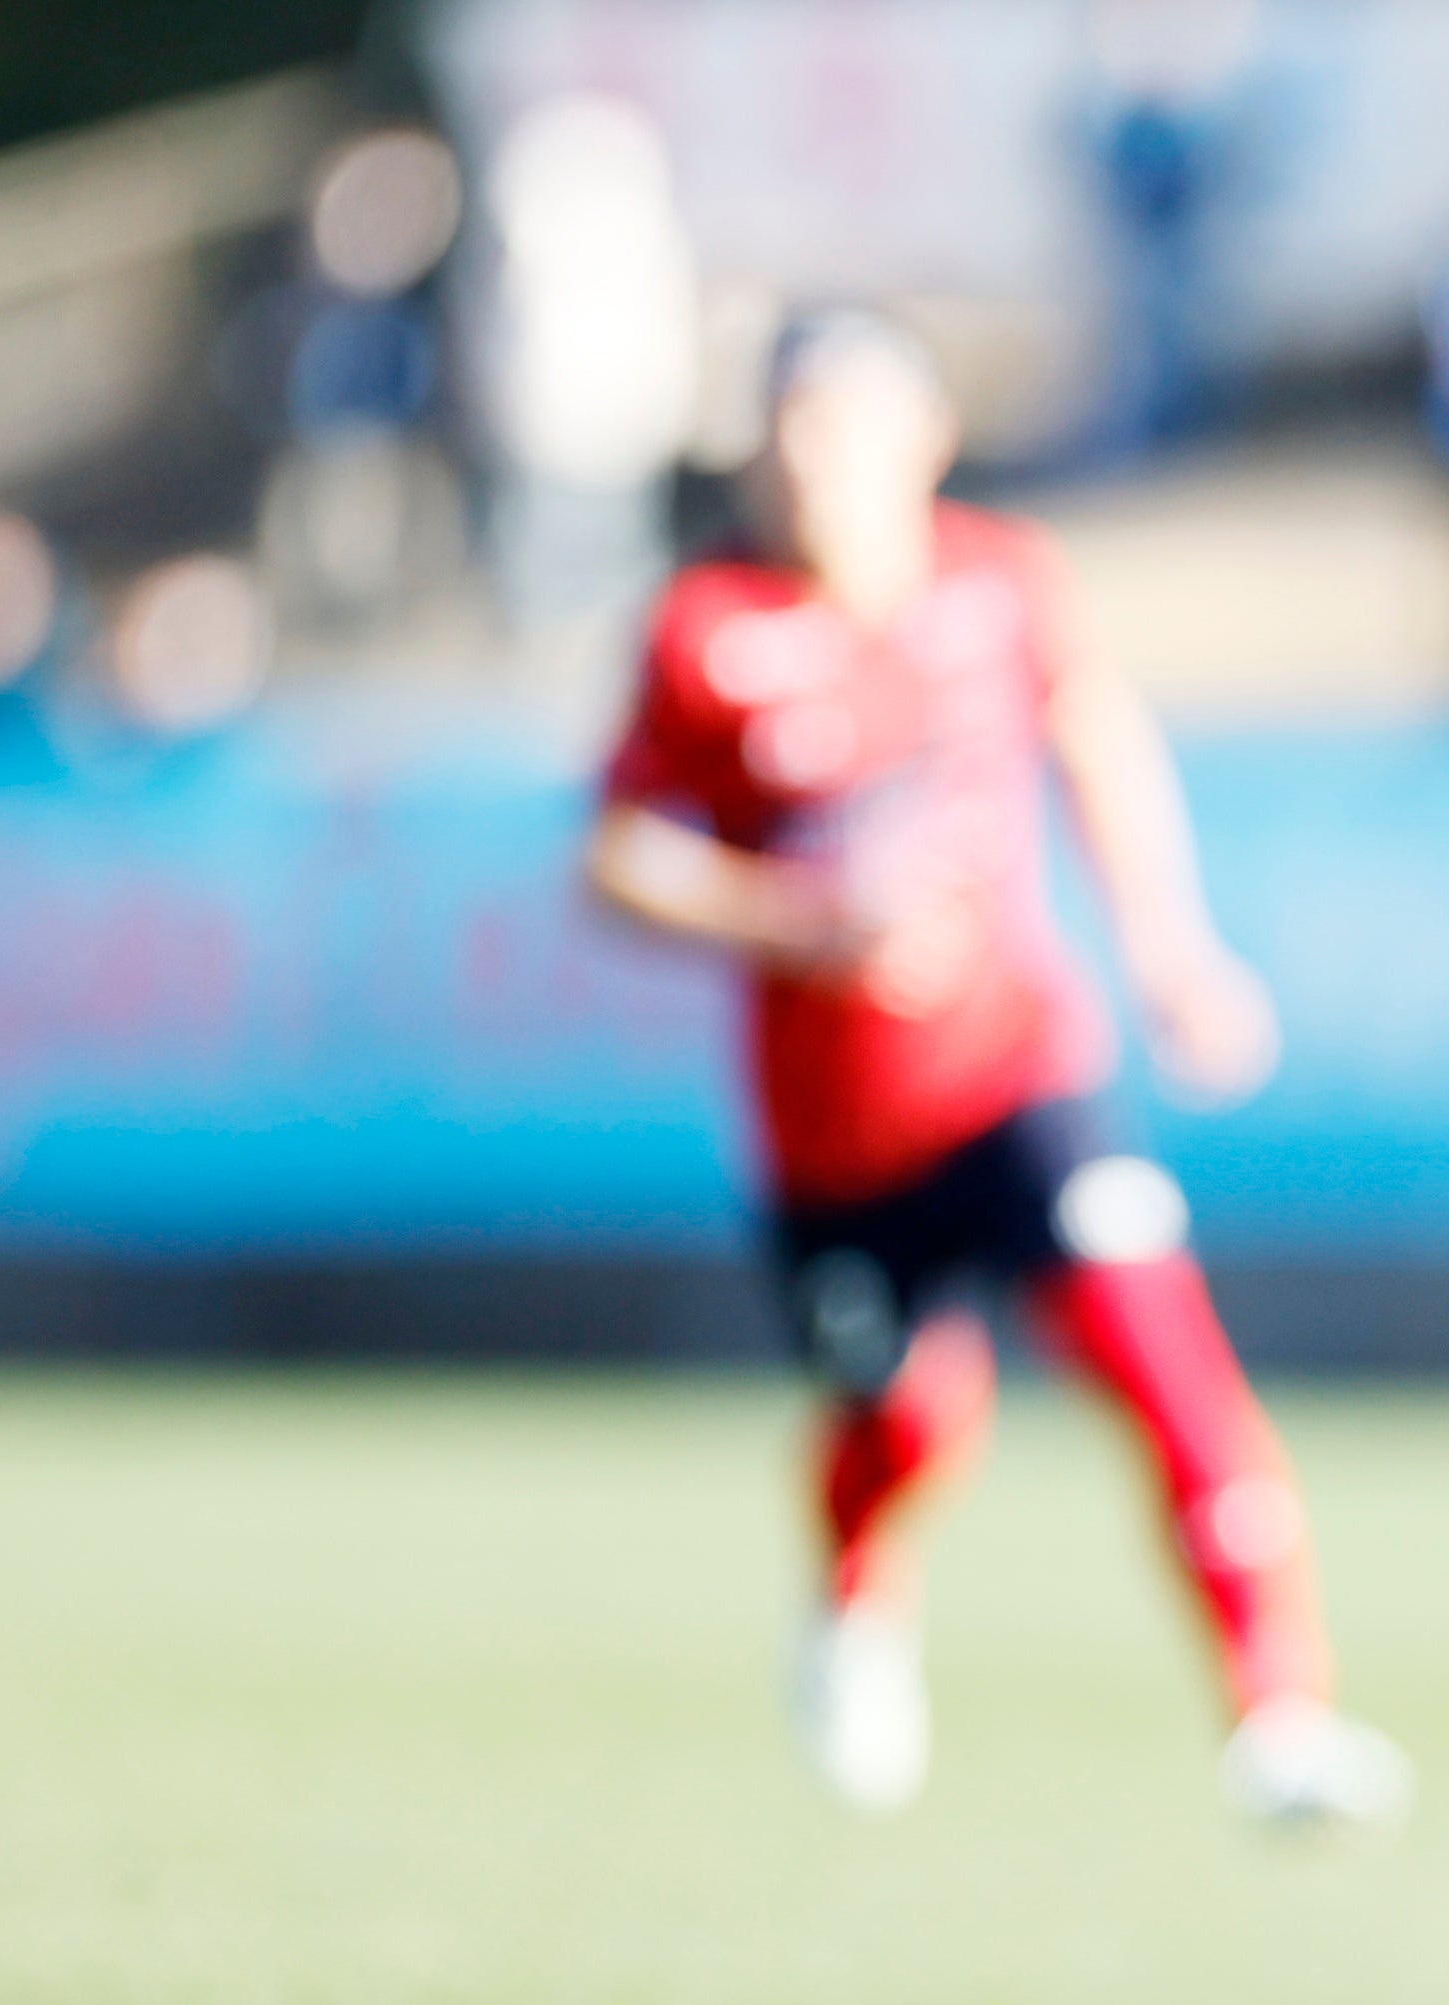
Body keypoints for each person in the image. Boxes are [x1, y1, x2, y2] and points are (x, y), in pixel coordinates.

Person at [583, 310, 1406, 1827]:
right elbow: (621, 858)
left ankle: (1280, 1716)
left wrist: (1170, 948)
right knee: (908, 1418)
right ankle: (852, 1604)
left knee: (1157, 1351)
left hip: (1018, 1078)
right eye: (788, 423)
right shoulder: (709, 628)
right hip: (834, 1137)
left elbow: (1096, 739)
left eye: (842, 422)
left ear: (925, 440)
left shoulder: (998, 584)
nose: (811, 457)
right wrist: (806, 924)